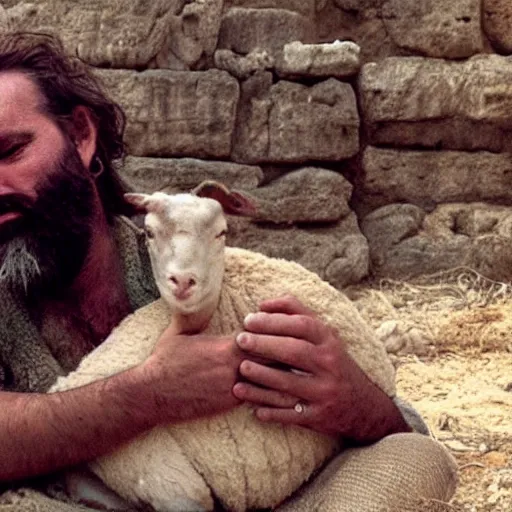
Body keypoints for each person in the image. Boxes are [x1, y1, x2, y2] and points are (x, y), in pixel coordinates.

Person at [0, 31, 457, 511]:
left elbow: (395, 426)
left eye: (11, 152)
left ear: (81, 136)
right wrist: (146, 396)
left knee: (411, 458)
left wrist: (356, 404)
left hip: (267, 497)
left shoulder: (194, 262)